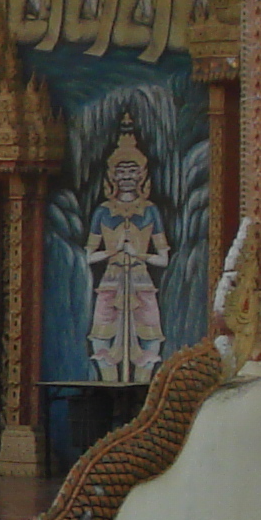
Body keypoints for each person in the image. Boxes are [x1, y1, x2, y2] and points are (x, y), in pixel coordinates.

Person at [83, 113, 170, 383]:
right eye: (121, 171)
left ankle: (143, 388)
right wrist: (113, 251)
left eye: (132, 171)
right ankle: (109, 384)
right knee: (100, 338)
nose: (127, 177)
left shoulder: (150, 211)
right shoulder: (103, 212)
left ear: (141, 173)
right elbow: (89, 256)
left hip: (142, 281)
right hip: (110, 281)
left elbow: (163, 259)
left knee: (151, 339)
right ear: (112, 175)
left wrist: (138, 254)